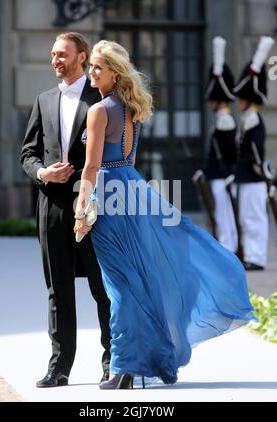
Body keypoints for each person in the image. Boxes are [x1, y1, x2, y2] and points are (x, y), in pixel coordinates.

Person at [74, 40, 255, 389]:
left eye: (98, 66)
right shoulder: (130, 107)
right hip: (132, 189)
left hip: (109, 194)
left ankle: (123, 367)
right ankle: (137, 362)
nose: (92, 72)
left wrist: (82, 210)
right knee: (138, 279)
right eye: (91, 66)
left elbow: (91, 166)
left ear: (115, 72)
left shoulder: (99, 111)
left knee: (120, 284)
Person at [21, 32, 111, 388]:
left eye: (62, 54)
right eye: (53, 54)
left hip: (95, 208)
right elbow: (27, 153)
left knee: (103, 288)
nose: (55, 59)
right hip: (52, 208)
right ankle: (59, 368)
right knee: (57, 290)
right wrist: (43, 172)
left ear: (82, 57)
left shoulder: (102, 100)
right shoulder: (43, 100)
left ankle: (112, 362)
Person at [233, 36, 275, 271]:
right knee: (247, 219)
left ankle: (257, 257)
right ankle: (250, 254)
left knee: (254, 219)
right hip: (246, 176)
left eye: (240, 98)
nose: (237, 101)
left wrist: (261, 173)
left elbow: (257, 153)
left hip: (254, 177)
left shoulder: (254, 120)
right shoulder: (248, 119)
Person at [204, 36, 238, 253]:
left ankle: (229, 248)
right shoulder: (221, 118)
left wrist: (227, 172)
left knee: (225, 216)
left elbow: (229, 152)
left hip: (222, 175)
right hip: (218, 174)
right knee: (222, 215)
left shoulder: (225, 119)